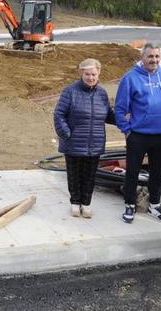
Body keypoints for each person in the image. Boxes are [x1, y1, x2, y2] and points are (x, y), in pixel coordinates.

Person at [115, 42, 161, 224]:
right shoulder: (130, 78)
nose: (154, 60)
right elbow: (120, 109)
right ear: (142, 57)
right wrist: (127, 130)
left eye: (157, 56)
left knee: (157, 172)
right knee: (132, 172)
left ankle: (154, 204)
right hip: (138, 135)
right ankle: (130, 204)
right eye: (150, 56)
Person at [53, 58, 115, 218]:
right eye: (87, 74)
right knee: (74, 175)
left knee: (89, 176)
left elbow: (107, 115)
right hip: (74, 143)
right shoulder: (70, 91)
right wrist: (67, 135)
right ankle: (75, 203)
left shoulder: (102, 93)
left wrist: (124, 119)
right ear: (81, 73)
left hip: (94, 143)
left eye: (93, 74)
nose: (91, 77)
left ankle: (86, 204)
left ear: (99, 73)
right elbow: (59, 114)